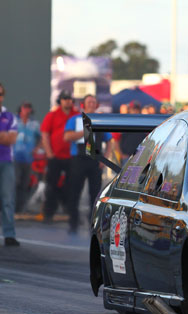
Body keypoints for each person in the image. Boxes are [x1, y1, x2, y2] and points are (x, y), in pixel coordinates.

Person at [63, 94, 116, 234]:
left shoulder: (101, 121)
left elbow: (109, 141)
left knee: (95, 193)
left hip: (95, 160)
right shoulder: (75, 120)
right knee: (74, 192)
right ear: (84, 104)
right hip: (78, 159)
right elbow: (67, 136)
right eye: (89, 102)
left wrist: (105, 158)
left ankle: (93, 224)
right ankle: (73, 224)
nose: (92, 104)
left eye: (94, 102)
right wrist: (86, 130)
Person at [41, 90, 79, 223]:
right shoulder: (52, 115)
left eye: (69, 99)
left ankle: (70, 212)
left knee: (72, 185)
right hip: (55, 156)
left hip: (72, 156)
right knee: (51, 185)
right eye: (65, 98)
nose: (67, 101)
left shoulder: (77, 115)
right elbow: (45, 134)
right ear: (60, 101)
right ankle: (48, 214)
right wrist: (49, 152)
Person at [0, 82, 19, 245]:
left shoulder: (10, 117)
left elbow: (11, 139)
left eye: (0, 94)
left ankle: (9, 234)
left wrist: (6, 137)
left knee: (7, 199)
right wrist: (3, 135)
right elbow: (5, 137)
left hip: (6, 161)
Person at [14, 101, 41, 214]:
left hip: (28, 158)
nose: (27, 110)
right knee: (14, 182)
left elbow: (41, 137)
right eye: (25, 107)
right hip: (14, 157)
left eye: (29, 107)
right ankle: (11, 207)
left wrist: (36, 148)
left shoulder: (34, 124)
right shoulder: (14, 121)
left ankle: (21, 208)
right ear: (20, 109)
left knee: (25, 184)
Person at [117, 100, 147, 165]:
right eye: (133, 109)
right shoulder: (123, 122)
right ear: (129, 109)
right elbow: (116, 140)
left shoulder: (144, 122)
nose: (135, 111)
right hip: (127, 157)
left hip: (140, 157)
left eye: (137, 109)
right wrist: (121, 154)